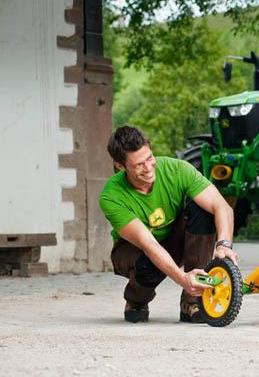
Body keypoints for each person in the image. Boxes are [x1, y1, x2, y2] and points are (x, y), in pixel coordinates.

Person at [99, 126, 237, 323]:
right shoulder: (111, 197)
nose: (148, 168)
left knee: (204, 210)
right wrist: (183, 279)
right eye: (139, 165)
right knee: (148, 266)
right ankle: (136, 300)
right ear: (121, 166)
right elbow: (149, 245)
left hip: (173, 240)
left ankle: (193, 301)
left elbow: (221, 207)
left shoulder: (177, 170)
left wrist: (224, 245)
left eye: (149, 158)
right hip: (133, 250)